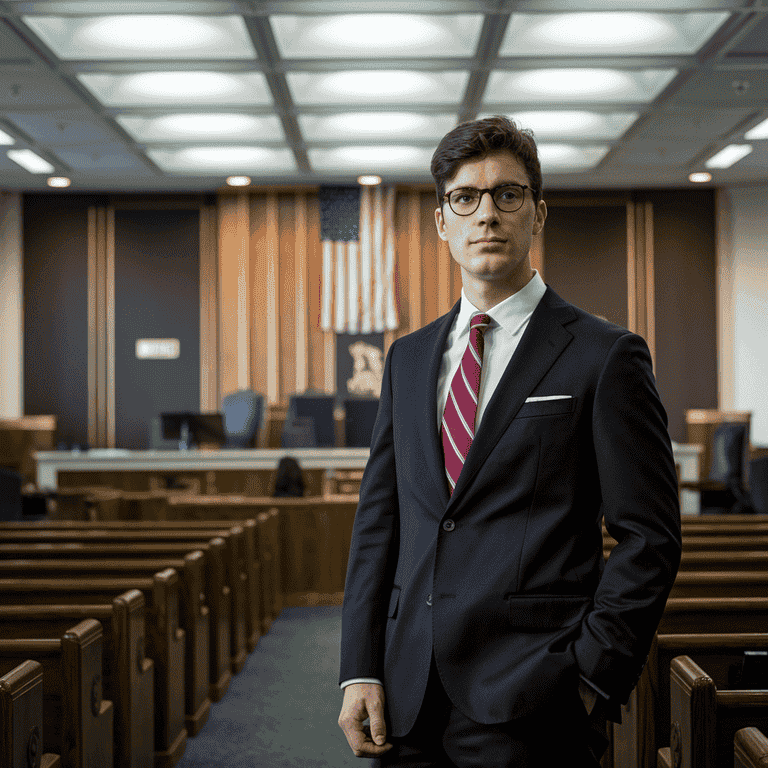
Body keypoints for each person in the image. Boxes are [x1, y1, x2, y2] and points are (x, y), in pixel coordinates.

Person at [337, 116, 682, 767]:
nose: (486, 214)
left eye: (508, 194)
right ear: (442, 222)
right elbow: (379, 521)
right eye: (465, 198)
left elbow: (650, 535)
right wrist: (359, 666)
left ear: (537, 212)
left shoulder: (605, 356)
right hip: (404, 698)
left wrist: (589, 678)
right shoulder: (407, 359)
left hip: (534, 700)